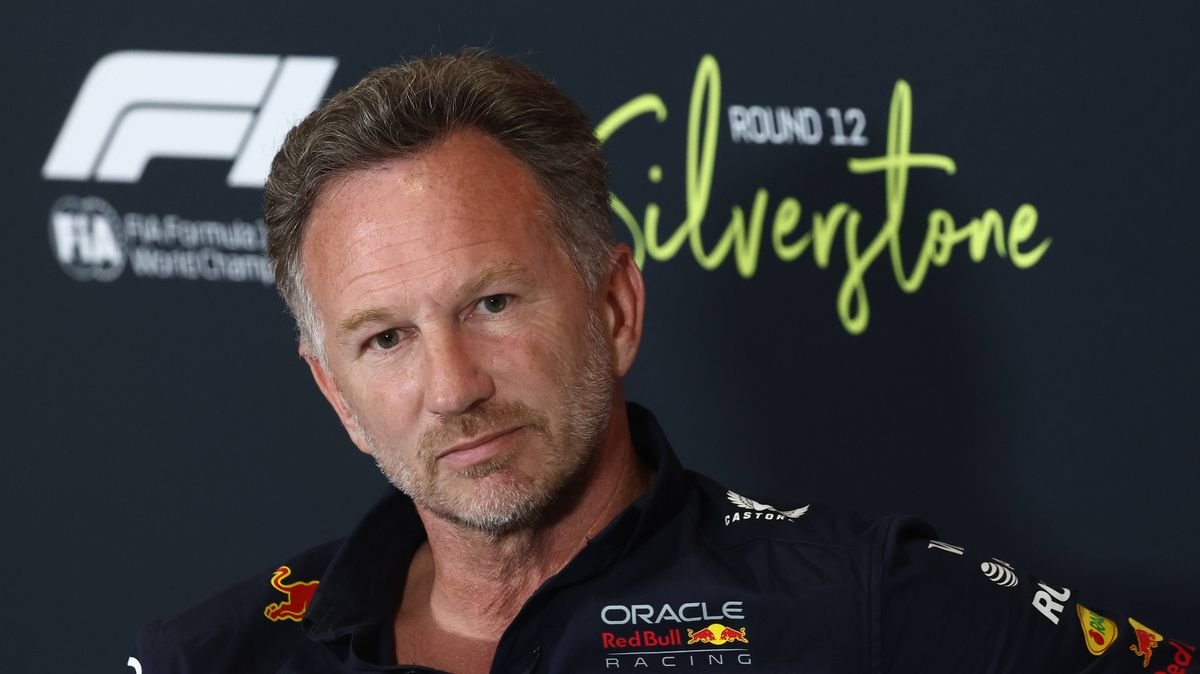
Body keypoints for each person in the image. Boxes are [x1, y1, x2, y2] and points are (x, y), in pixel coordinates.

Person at [134, 50, 1194, 674]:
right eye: (387, 338)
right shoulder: (218, 654)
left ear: (615, 306)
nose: (453, 387)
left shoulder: (857, 602)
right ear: (336, 392)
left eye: (492, 304)